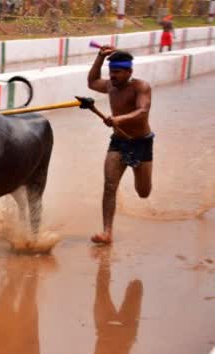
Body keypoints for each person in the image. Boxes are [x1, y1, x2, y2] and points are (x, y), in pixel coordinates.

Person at [87, 48, 153, 245]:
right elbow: (91, 82)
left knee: (143, 192)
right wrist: (99, 57)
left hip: (141, 142)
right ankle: (107, 232)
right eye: (111, 71)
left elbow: (143, 111)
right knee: (109, 186)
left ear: (129, 72)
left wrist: (119, 119)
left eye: (117, 72)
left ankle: (141, 180)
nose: (112, 76)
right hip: (118, 142)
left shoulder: (141, 86)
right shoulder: (110, 86)